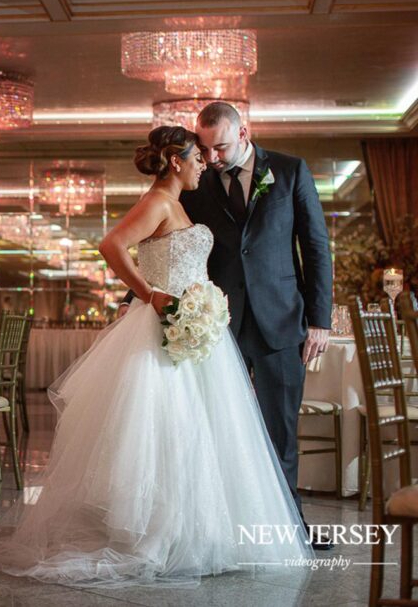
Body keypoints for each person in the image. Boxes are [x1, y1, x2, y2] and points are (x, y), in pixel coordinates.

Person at [0, 125, 313, 588]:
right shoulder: (158, 201)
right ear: (176, 162)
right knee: (168, 431)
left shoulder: (177, 202)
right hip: (163, 325)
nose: (205, 163)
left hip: (192, 327)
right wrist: (151, 296)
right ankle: (163, 532)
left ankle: (199, 528)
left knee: (201, 431)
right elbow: (110, 245)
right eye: (197, 157)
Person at [119, 103, 333, 547]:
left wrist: (320, 320)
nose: (212, 157)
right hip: (214, 327)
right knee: (219, 430)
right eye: (205, 148)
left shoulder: (291, 172)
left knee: (279, 432)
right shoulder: (195, 182)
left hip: (281, 321)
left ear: (244, 133)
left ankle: (288, 528)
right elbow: (166, 244)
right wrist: (136, 297)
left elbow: (315, 247)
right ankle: (224, 528)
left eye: (220, 146)